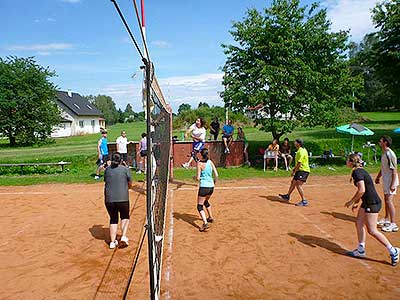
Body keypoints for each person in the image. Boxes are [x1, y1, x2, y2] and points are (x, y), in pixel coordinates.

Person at [344, 153, 399, 266]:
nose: (346, 162)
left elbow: (362, 190)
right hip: (367, 202)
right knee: (359, 223)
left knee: (372, 231)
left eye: (347, 160)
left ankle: (393, 251)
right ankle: (361, 250)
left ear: (351, 162)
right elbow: (364, 190)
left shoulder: (357, 172)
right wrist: (357, 202)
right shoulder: (360, 171)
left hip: (372, 203)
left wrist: (352, 201)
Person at [104, 153, 133, 249]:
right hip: (123, 198)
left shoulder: (107, 170)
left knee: (113, 219)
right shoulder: (125, 169)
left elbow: (106, 181)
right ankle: (123, 236)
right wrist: (127, 188)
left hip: (109, 199)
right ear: (121, 160)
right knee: (125, 217)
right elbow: (130, 183)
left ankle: (112, 242)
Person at [375, 135, 399, 232]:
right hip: (386, 180)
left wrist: (393, 184)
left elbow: (394, 170)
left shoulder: (390, 154)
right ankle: (386, 219)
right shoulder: (384, 153)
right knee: (386, 200)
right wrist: (378, 177)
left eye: (380, 141)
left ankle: (393, 224)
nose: (379, 142)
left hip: (391, 181)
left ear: (385, 143)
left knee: (389, 201)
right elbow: (383, 167)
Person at [279, 139, 310, 206]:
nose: (294, 143)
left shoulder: (301, 151)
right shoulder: (300, 150)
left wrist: (294, 171)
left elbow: (299, 163)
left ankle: (304, 200)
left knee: (298, 185)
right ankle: (287, 196)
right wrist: (295, 170)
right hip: (300, 170)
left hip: (303, 170)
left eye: (295, 142)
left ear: (299, 143)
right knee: (293, 182)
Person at [195, 148, 218, 232]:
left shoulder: (199, 164)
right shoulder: (210, 162)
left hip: (204, 187)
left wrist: (194, 178)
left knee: (199, 206)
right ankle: (210, 217)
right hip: (211, 187)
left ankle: (205, 223)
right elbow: (216, 174)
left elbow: (197, 178)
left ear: (201, 154)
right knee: (205, 201)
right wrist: (214, 183)